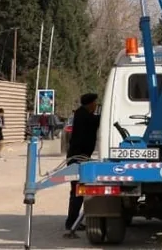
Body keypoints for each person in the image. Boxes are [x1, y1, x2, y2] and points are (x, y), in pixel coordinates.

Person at [64, 92, 102, 238]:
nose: (96, 106)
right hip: (77, 158)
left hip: (79, 156)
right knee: (77, 191)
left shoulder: (82, 114)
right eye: (95, 103)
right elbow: (95, 121)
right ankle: (71, 222)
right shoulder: (83, 115)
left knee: (77, 191)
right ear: (90, 104)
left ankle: (72, 220)